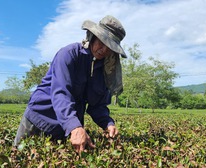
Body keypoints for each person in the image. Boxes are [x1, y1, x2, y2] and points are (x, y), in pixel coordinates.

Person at [14, 15, 127, 154]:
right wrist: (74, 127)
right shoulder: (68, 55)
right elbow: (61, 93)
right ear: (93, 36)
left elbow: (97, 105)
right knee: (19, 160)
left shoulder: (104, 70)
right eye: (102, 42)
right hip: (40, 120)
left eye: (109, 47)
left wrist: (108, 123)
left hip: (66, 128)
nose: (104, 49)